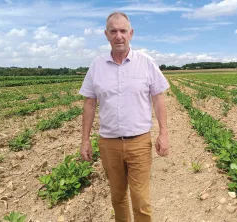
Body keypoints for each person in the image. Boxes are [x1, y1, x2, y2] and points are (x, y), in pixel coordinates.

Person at [79, 11, 169, 222]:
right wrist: (85, 140)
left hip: (139, 142)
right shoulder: (96, 66)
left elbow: (158, 98)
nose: (118, 36)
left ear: (131, 33)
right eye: (113, 31)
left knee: (141, 200)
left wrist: (164, 133)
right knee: (118, 198)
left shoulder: (146, 62)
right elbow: (89, 102)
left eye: (123, 31)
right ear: (106, 35)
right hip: (108, 144)